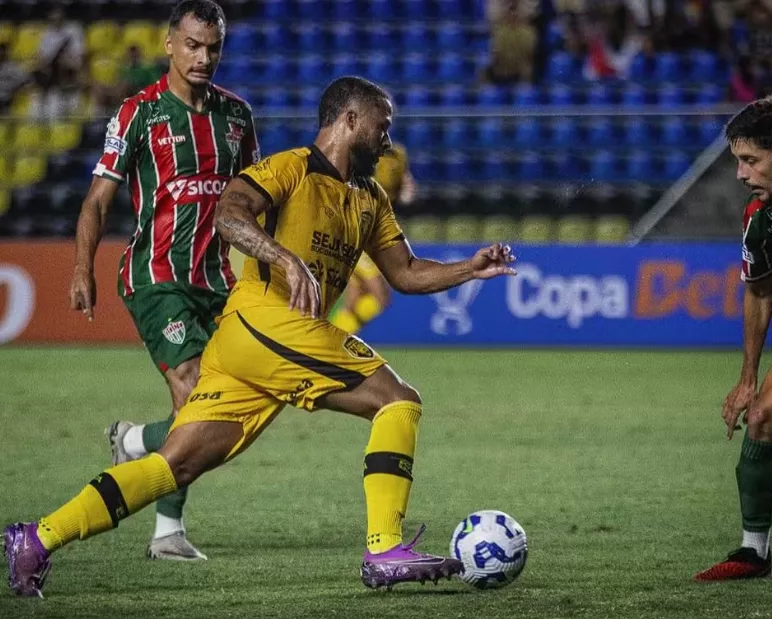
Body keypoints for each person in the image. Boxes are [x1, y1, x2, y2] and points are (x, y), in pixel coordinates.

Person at [4, 76, 516, 598]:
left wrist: (468, 269)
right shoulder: (290, 168)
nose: (388, 142)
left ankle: (37, 538)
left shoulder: (371, 197)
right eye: (382, 128)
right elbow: (228, 214)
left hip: (249, 347)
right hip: (267, 321)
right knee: (398, 401)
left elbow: (404, 272)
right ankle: (384, 548)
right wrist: (284, 259)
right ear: (350, 121)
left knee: (174, 464)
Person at [66, 0, 258, 562]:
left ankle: (134, 440)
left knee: (228, 405)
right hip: (156, 277)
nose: (203, 58)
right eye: (193, 45)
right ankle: (167, 533)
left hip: (218, 282)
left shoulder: (237, 117)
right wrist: (82, 267)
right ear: (169, 44)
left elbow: (254, 199)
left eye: (213, 48)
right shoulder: (139, 114)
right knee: (195, 391)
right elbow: (97, 200)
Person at [694, 96, 772, 581]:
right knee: (762, 416)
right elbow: (760, 292)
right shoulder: (759, 216)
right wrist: (747, 379)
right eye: (738, 161)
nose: (742, 174)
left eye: (751, 160)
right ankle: (753, 551)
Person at [329, 142, 416, 334]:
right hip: (355, 235)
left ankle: (328, 342)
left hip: (374, 234)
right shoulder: (358, 153)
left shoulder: (399, 154)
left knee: (353, 302)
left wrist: (406, 195)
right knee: (381, 297)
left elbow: (406, 187)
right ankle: (328, 340)